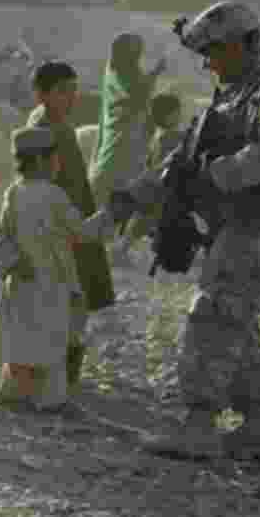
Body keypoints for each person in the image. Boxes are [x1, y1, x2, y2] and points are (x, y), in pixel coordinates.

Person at [104, 1, 260, 461]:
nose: (207, 63)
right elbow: (180, 165)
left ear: (242, 46)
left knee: (212, 316)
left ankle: (199, 425)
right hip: (231, 225)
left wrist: (212, 176)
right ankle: (257, 427)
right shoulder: (229, 97)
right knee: (235, 318)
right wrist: (130, 198)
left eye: (214, 52)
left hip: (255, 224)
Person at [0, 126, 114, 412]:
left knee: (21, 340)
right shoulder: (54, 195)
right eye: (54, 158)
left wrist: (12, 263)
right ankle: (50, 401)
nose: (58, 164)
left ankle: (14, 394)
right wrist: (111, 214)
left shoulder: (13, 193)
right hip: (52, 284)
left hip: (21, 283)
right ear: (40, 161)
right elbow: (82, 232)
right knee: (51, 343)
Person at [26, 62, 116, 384]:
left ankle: (61, 375)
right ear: (41, 94)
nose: (71, 97)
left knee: (73, 301)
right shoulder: (44, 130)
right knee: (68, 301)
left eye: (73, 90)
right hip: (62, 227)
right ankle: (59, 376)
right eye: (63, 91)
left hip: (74, 221)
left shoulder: (56, 125)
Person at [89, 32, 166, 211]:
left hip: (129, 138)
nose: (139, 54)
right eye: (136, 50)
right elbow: (138, 97)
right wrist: (155, 73)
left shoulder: (122, 72)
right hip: (123, 141)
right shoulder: (119, 73)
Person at [113, 92, 185, 261]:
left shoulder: (158, 135)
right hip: (159, 189)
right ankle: (119, 252)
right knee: (145, 222)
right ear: (168, 116)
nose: (180, 115)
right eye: (177, 112)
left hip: (151, 186)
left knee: (141, 223)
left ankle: (120, 251)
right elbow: (166, 163)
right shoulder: (171, 136)